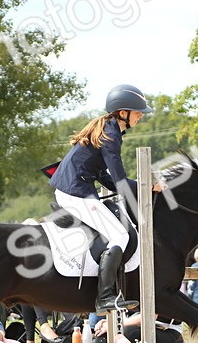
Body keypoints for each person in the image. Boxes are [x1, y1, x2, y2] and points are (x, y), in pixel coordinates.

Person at [49, 83, 161, 311]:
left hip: (76, 189)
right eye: (138, 112)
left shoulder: (110, 130)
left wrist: (141, 187)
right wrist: (147, 186)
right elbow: (120, 181)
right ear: (123, 113)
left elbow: (104, 176)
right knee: (120, 236)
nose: (141, 116)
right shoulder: (111, 135)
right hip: (75, 193)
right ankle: (105, 298)